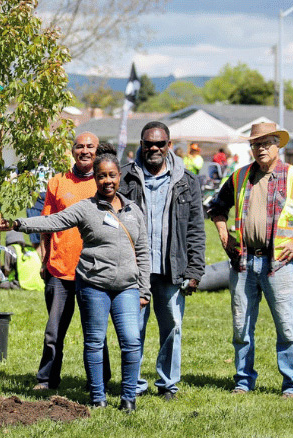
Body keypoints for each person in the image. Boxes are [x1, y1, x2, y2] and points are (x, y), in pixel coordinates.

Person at [2, 155, 149, 412]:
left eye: (112, 175)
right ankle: (98, 397)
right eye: (101, 176)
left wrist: (144, 290)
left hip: (127, 287)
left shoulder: (133, 210)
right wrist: (17, 224)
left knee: (131, 341)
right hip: (94, 285)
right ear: (95, 178)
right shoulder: (86, 208)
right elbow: (52, 221)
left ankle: (128, 399)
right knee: (94, 341)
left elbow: (144, 252)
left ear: (119, 177)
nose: (107, 181)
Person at [209, 122, 293, 398]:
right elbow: (217, 208)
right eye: (256, 144)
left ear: (279, 145)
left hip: (279, 264)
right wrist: (223, 234)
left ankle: (292, 386)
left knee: (287, 326)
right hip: (243, 262)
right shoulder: (239, 177)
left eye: (266, 143)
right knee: (241, 327)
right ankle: (243, 382)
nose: (261, 148)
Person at [119, 121, 205, 401]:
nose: (153, 148)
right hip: (134, 271)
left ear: (169, 145)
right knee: (134, 330)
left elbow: (195, 228)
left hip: (172, 269)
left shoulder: (187, 181)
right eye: (148, 143)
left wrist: (195, 270)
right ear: (140, 146)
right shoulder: (124, 179)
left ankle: (168, 384)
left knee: (172, 328)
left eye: (159, 143)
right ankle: (133, 384)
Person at [33, 132, 104, 392]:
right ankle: (46, 379)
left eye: (90, 146)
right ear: (72, 150)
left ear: (98, 150)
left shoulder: (103, 181)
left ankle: (99, 380)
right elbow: (45, 224)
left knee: (95, 333)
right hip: (59, 270)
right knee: (54, 332)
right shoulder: (57, 182)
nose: (84, 151)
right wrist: (44, 259)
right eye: (79, 146)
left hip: (95, 271)